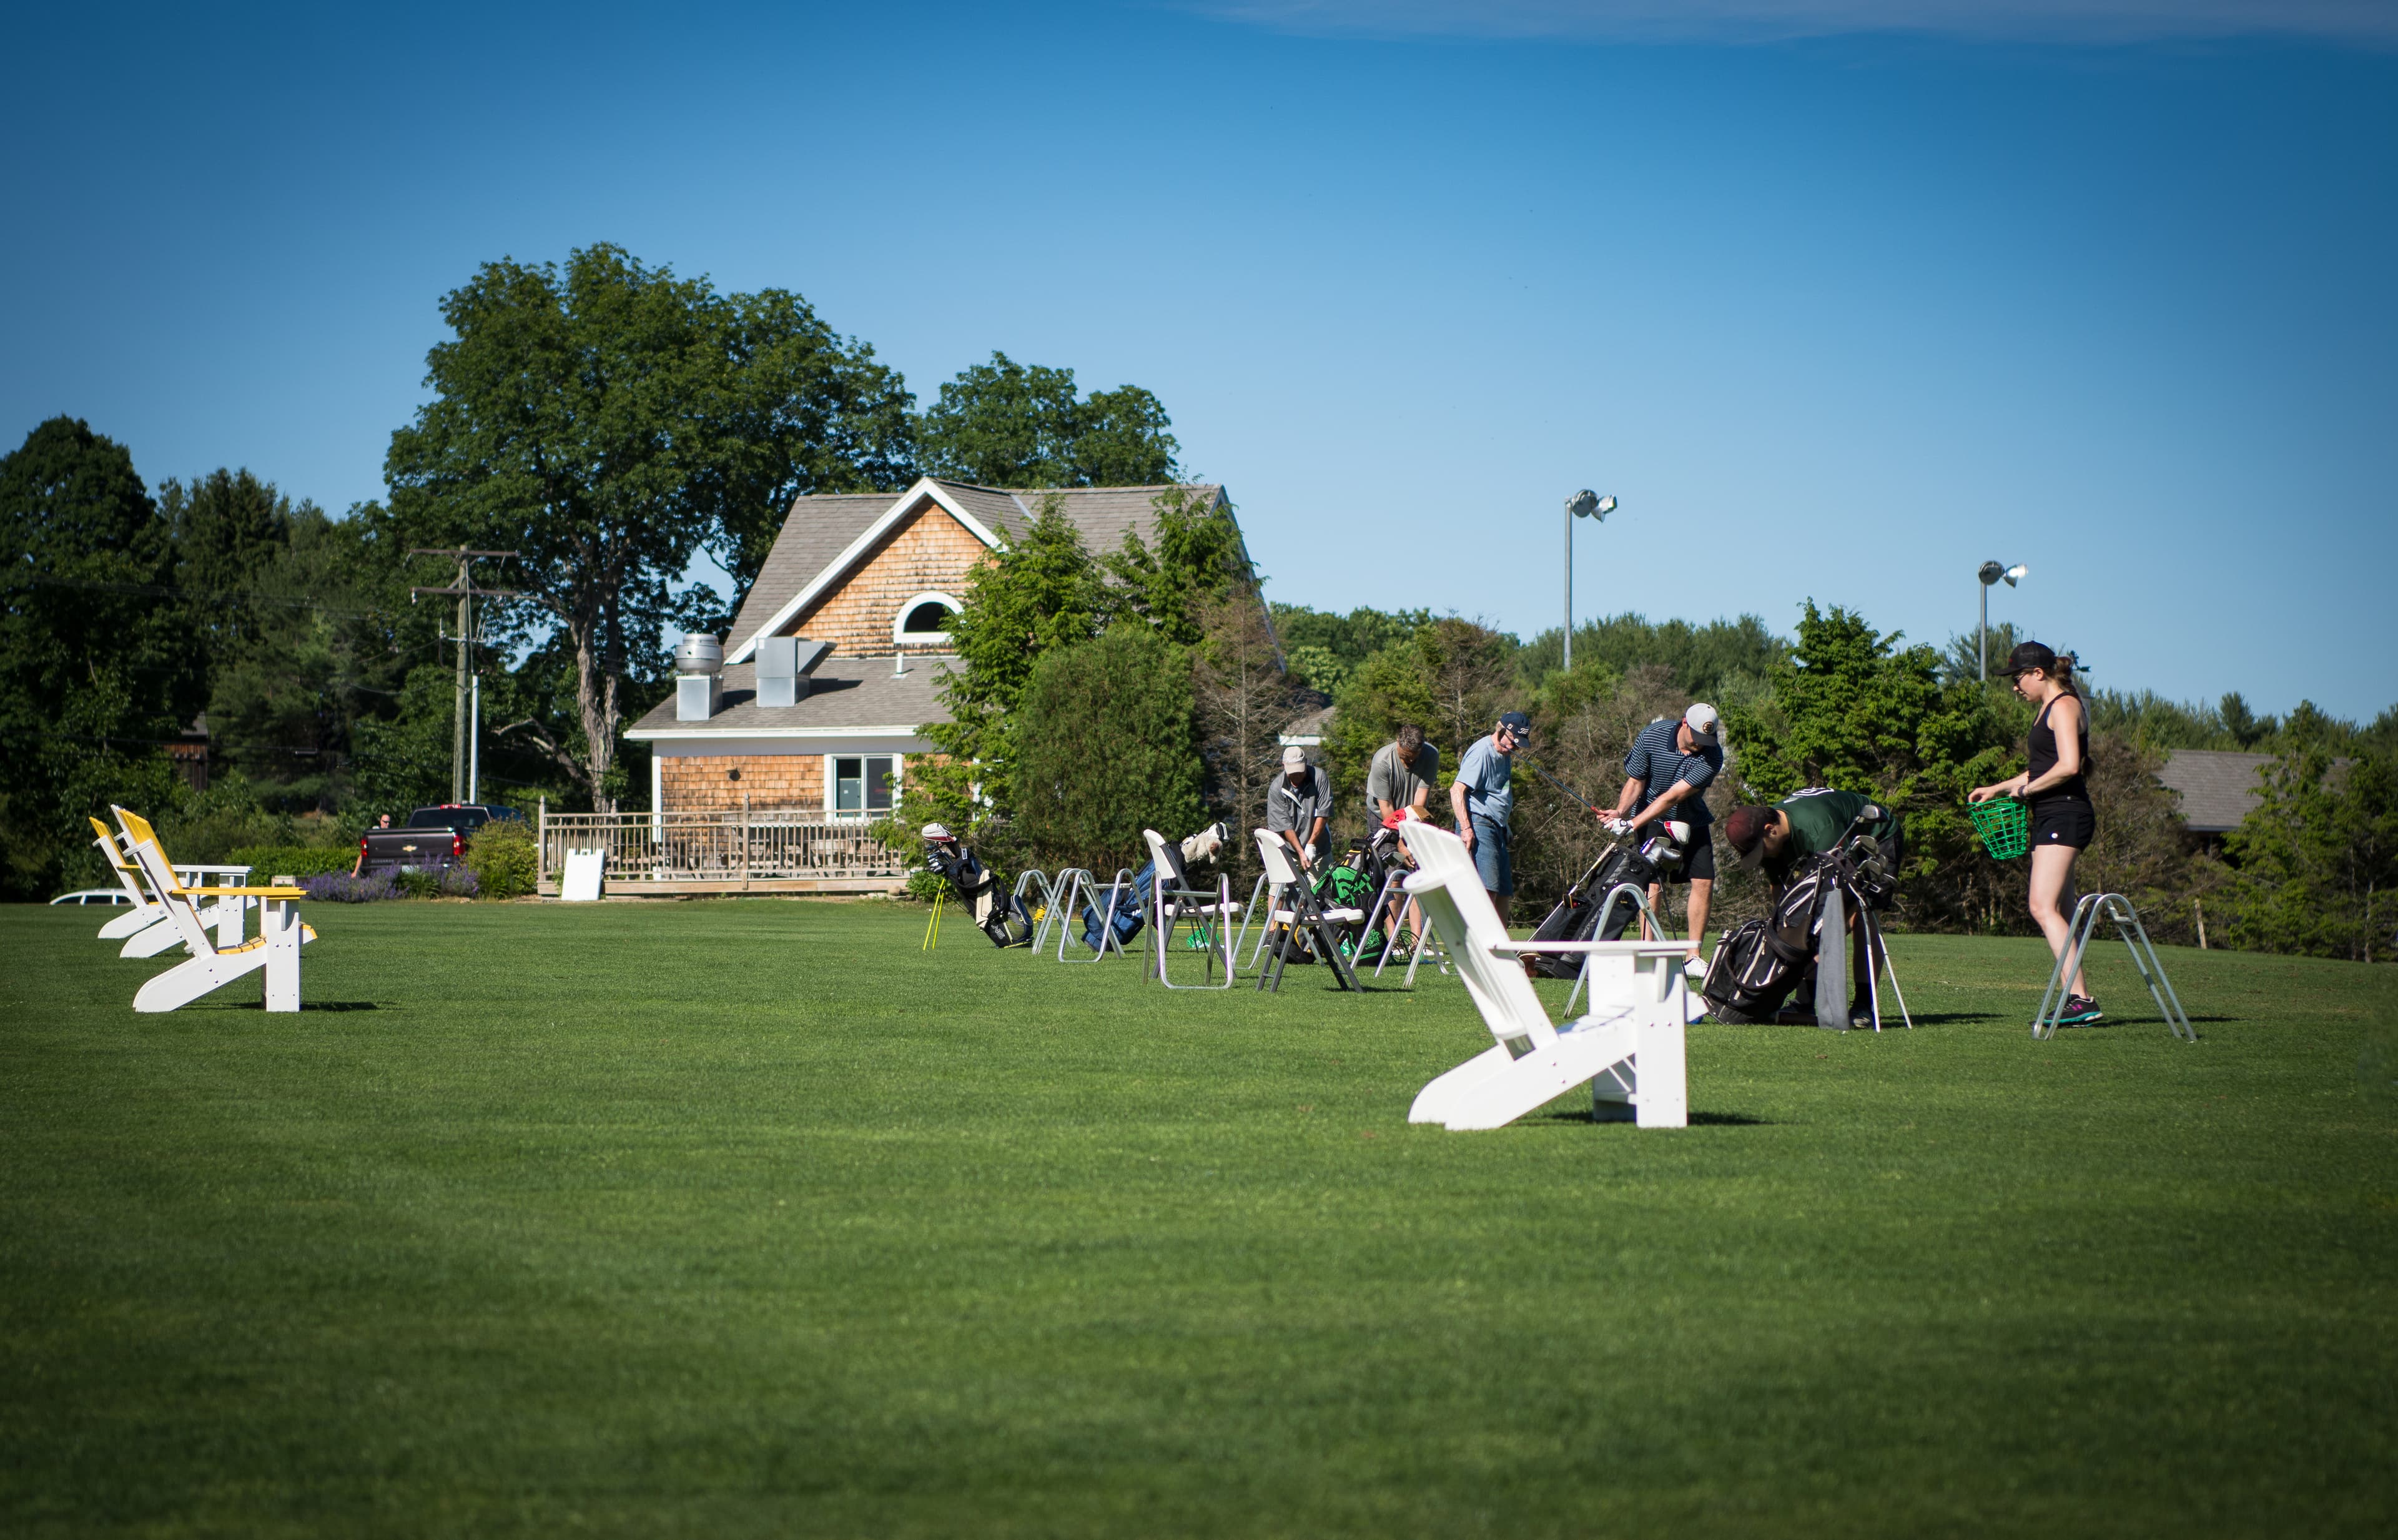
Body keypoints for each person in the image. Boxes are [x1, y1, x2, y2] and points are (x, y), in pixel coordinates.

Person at [1970, 641, 2099, 1024]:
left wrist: (2026, 791)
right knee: (2058, 910)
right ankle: (2076, 1001)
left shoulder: (2064, 706)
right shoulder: (2048, 708)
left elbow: (2070, 766)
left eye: (2018, 678)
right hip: (2051, 815)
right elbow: (2045, 768)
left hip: (2065, 815)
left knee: (2041, 906)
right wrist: (1998, 787)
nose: (2014, 686)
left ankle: (2081, 999)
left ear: (2039, 674)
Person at [1723, 788, 1903, 1027]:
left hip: (1876, 837)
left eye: (1762, 850)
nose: (1763, 856)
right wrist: (1786, 931)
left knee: (1862, 920)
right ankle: (1804, 1003)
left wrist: (1827, 934)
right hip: (1833, 848)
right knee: (1803, 929)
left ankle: (1864, 1004)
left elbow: (1841, 891)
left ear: (1771, 830)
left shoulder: (1820, 829)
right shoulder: (1767, 836)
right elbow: (1780, 889)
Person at [1604, 704, 1724, 972]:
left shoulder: (1713, 756)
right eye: (1696, 738)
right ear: (1684, 723)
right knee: (1652, 885)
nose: (1700, 745)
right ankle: (1649, 953)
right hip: (1651, 819)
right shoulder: (1652, 736)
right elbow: (1636, 782)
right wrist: (1621, 813)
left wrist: (1631, 823)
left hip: (1691, 820)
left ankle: (1693, 957)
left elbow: (1673, 797)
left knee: (1704, 881)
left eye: (1706, 740)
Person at [1449, 710, 1531, 921]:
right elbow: (1457, 790)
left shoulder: (1504, 753)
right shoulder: (1481, 753)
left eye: (1518, 744)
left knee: (1503, 891)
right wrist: (1467, 829)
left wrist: (1505, 824)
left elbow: (1496, 793)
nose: (1514, 748)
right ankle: (1481, 948)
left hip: (1498, 827)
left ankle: (1501, 949)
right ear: (1501, 730)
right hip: (1478, 824)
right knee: (1487, 889)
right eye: (1512, 742)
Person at [1267, 746, 1334, 871]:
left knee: (1326, 888)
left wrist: (1311, 844)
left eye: (1300, 771)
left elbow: (1323, 813)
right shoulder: (1277, 788)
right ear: (1284, 765)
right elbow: (1284, 826)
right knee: (1278, 888)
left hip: (1319, 848)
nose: (1297, 776)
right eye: (1293, 772)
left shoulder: (1319, 778)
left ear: (1306, 762)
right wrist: (1301, 852)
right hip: (1288, 851)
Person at [350, 812, 392, 876]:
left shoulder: (391, 834)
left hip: (384, 859)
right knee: (362, 855)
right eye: (386, 822)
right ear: (381, 822)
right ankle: (355, 873)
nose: (388, 824)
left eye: (389, 822)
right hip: (373, 855)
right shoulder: (375, 831)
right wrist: (355, 872)